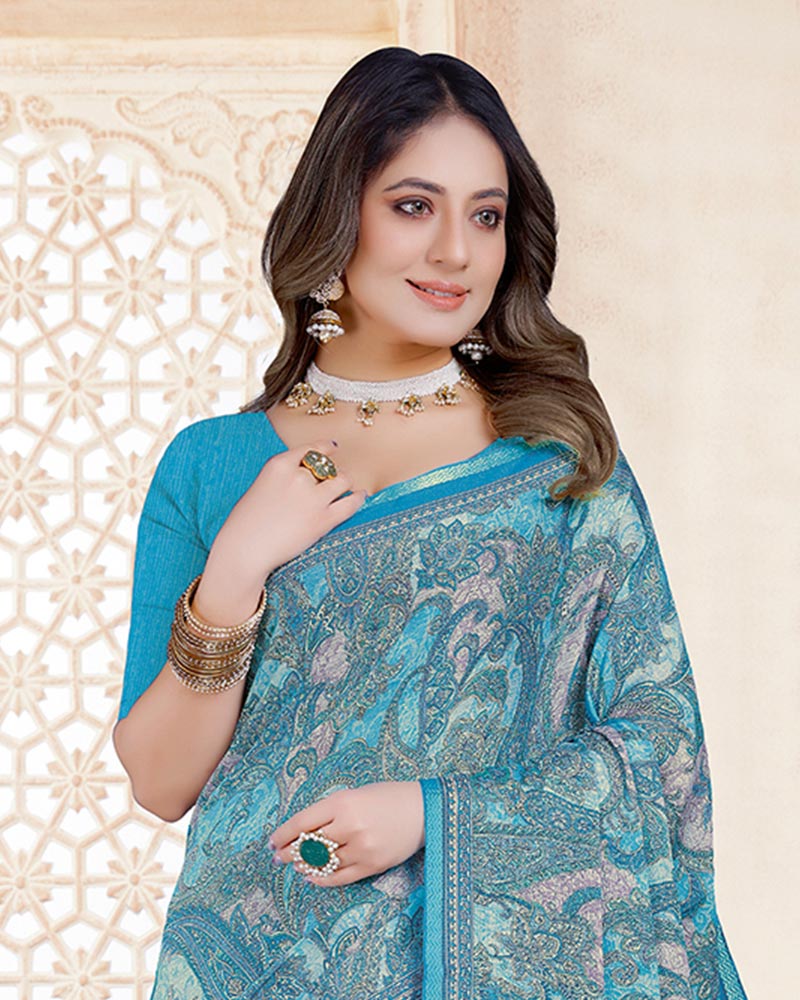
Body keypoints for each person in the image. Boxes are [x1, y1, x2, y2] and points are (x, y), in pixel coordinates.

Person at [113, 46, 748, 1000]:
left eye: (485, 216)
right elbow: (160, 782)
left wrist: (432, 814)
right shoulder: (214, 463)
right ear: (339, 215)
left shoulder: (559, 468)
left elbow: (662, 751)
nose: (456, 251)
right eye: (414, 206)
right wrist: (237, 569)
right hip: (258, 963)